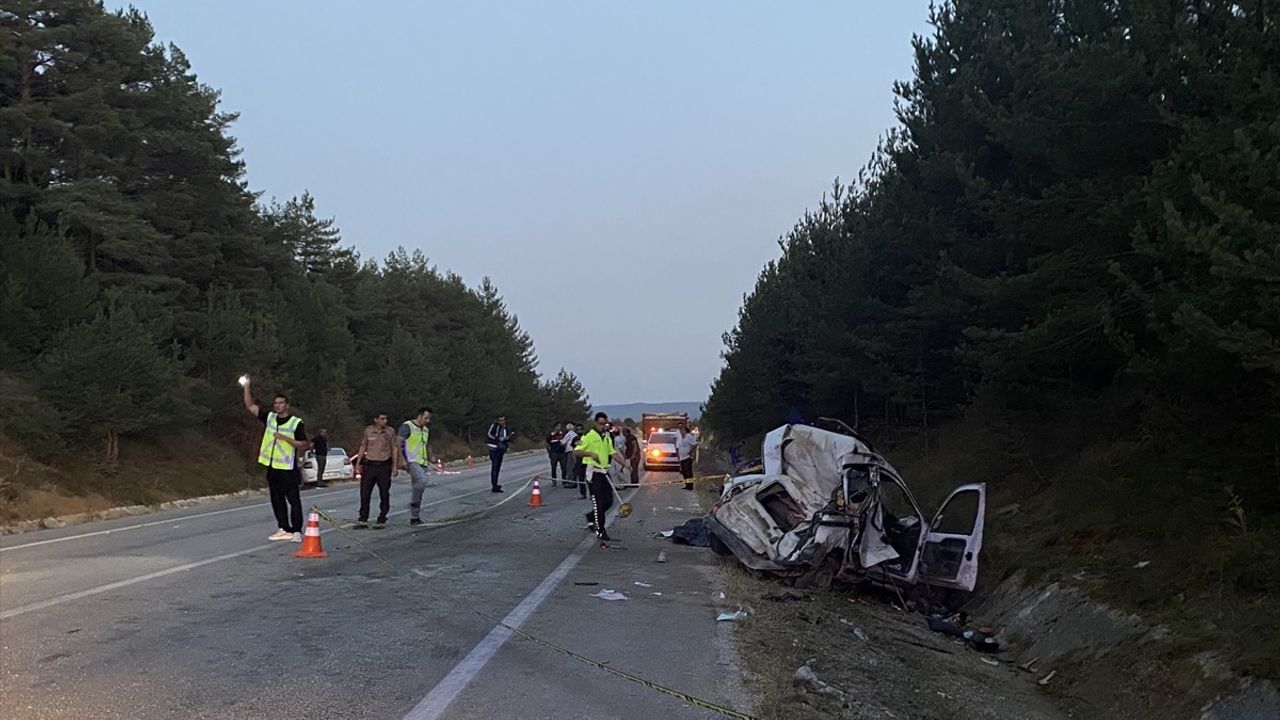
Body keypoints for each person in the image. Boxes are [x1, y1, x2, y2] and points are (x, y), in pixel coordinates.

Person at [241, 377, 309, 542]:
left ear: (287, 405)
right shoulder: (270, 418)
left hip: (288, 467)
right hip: (272, 467)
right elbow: (251, 407)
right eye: (276, 403)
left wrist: (285, 438)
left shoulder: (295, 423)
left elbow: (304, 444)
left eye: (281, 403)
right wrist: (246, 387)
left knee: (293, 500)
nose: (277, 405)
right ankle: (283, 528)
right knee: (276, 499)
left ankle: (297, 531)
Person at [573, 412, 619, 544]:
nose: (602, 426)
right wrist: (590, 453)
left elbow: (612, 452)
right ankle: (600, 530)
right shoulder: (589, 436)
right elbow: (577, 450)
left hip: (604, 471)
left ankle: (591, 516)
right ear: (595, 423)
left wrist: (625, 464)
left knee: (608, 501)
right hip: (593, 473)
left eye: (604, 423)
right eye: (600, 423)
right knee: (598, 503)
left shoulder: (606, 436)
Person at [355, 411, 400, 527]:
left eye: (385, 419)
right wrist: (358, 463)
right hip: (369, 465)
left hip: (384, 465)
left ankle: (382, 517)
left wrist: (395, 466)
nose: (384, 421)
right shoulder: (368, 430)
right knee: (365, 493)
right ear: (376, 420)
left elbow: (394, 448)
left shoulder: (390, 432)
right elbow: (363, 446)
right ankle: (363, 518)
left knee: (384, 493)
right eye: (382, 419)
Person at [399, 406, 432, 526]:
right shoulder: (408, 426)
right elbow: (398, 442)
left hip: (422, 462)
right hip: (411, 461)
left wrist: (431, 456)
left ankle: (415, 516)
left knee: (419, 488)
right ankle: (413, 505)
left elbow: (426, 444)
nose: (427, 421)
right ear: (420, 415)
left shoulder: (425, 430)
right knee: (422, 481)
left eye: (429, 419)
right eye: (426, 418)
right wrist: (401, 459)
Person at [486, 414, 514, 493]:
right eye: (500, 420)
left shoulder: (505, 427)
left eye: (503, 420)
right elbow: (489, 434)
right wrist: (497, 438)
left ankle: (496, 484)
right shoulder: (494, 426)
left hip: (501, 448)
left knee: (498, 466)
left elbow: (506, 436)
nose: (502, 422)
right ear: (497, 420)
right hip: (494, 448)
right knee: (495, 466)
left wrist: (508, 439)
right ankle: (494, 485)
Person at [677, 423, 699, 490]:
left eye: (683, 430)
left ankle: (690, 486)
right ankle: (687, 485)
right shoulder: (681, 438)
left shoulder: (688, 436)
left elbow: (695, 444)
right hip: (682, 457)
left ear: (686, 430)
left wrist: (690, 452)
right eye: (681, 430)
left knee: (688, 472)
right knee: (684, 472)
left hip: (687, 457)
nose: (681, 431)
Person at [546, 422, 566, 487]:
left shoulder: (562, 434)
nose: (560, 428)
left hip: (562, 453)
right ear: (555, 427)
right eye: (558, 426)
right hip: (554, 453)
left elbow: (565, 441)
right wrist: (549, 453)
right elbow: (547, 444)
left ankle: (564, 480)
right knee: (553, 467)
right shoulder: (551, 435)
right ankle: (554, 481)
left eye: (560, 426)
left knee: (563, 467)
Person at [560, 421, 578, 491]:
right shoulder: (575, 434)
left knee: (569, 467)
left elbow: (562, 443)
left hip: (570, 451)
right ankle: (575, 480)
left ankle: (571, 482)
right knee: (574, 466)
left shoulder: (568, 434)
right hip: (576, 451)